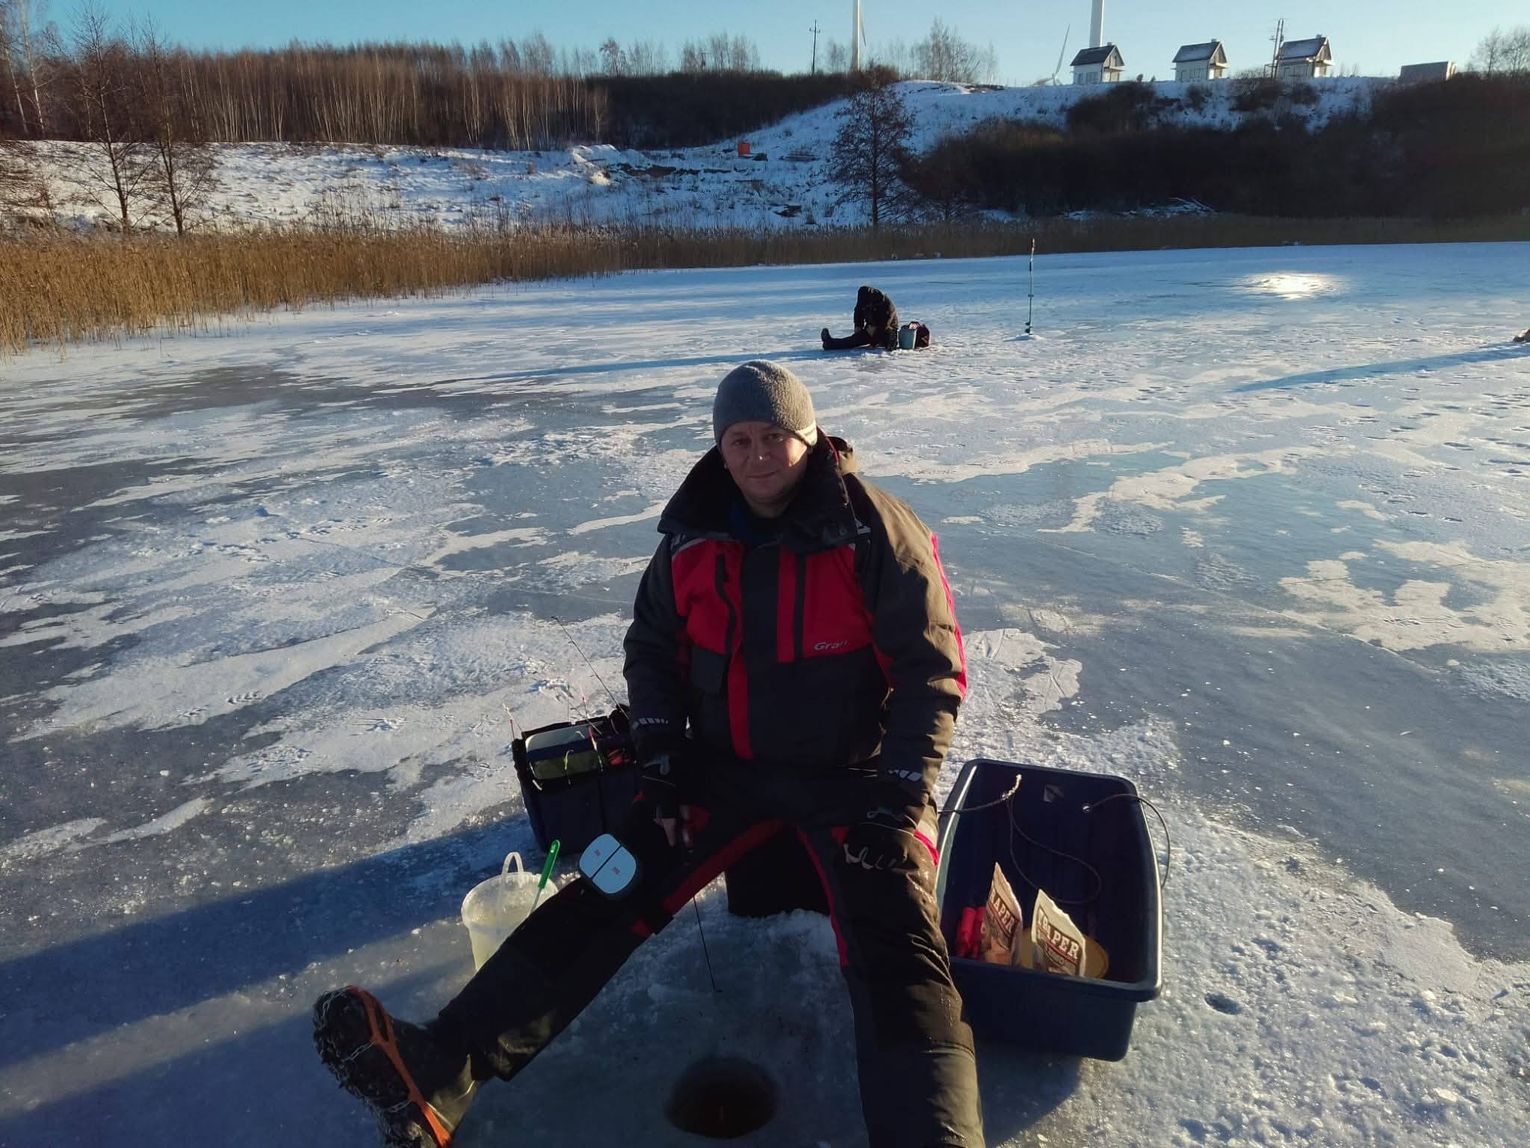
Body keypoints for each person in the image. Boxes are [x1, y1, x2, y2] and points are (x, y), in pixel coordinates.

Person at [312, 360, 984, 1148]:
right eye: (740, 440)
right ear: (719, 448)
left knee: (900, 943)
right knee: (605, 884)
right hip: (723, 773)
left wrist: (899, 800)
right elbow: (654, 651)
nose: (759, 455)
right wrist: (661, 764)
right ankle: (441, 1069)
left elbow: (932, 672)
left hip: (854, 781)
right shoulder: (692, 536)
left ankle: (935, 1132)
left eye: (775, 436)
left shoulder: (874, 530)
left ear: (811, 438)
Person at [823, 284, 900, 350]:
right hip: (870, 329)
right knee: (853, 340)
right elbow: (858, 312)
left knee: (888, 340)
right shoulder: (863, 300)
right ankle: (829, 343)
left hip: (886, 330)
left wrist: (874, 342)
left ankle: (887, 343)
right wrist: (858, 326)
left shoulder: (886, 304)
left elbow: (884, 325)